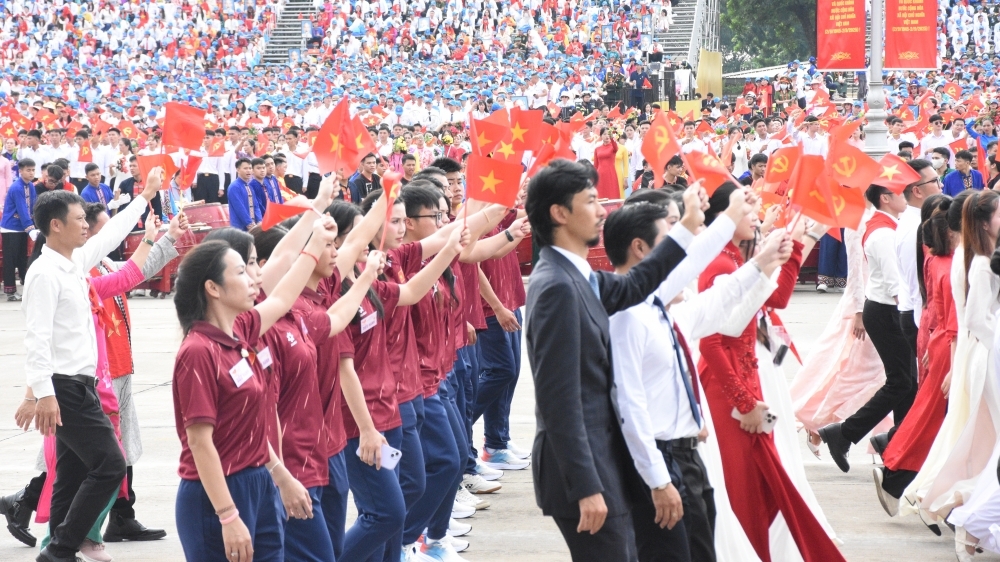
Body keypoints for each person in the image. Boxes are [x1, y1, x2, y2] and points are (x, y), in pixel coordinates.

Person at [524, 159, 704, 560]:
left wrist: (689, 227)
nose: (601, 210)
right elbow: (560, 399)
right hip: (581, 473)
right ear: (559, 213)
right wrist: (586, 486)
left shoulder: (576, 275)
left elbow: (637, 283)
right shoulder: (556, 286)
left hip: (599, 463)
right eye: (590, 201)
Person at [604, 190, 758, 562]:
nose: (680, 251)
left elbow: (704, 286)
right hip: (660, 457)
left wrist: (761, 259)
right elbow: (629, 404)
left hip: (683, 452)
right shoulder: (627, 312)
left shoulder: (652, 299)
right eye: (670, 239)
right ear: (641, 249)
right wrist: (658, 479)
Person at [696, 182, 846, 562]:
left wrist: (799, 241)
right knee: (745, 484)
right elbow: (711, 343)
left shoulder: (734, 259)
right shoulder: (718, 265)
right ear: (722, 217)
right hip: (730, 387)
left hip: (755, 375)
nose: (755, 216)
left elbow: (773, 298)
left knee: (767, 477)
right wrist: (744, 402)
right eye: (746, 211)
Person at [170, 218, 335, 562]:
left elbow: (284, 295)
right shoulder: (198, 351)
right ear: (213, 288)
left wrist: (316, 242)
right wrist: (228, 516)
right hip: (216, 493)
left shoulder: (240, 330)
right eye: (241, 272)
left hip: (258, 480)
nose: (253, 279)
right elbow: (201, 442)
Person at [21, 167, 161, 562]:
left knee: (72, 474)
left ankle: (56, 548)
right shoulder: (45, 274)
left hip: (79, 385)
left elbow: (113, 232)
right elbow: (37, 341)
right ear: (55, 225)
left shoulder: (74, 262)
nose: (87, 226)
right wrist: (44, 396)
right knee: (110, 465)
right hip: (64, 387)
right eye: (80, 219)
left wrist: (144, 196)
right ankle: (64, 548)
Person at [819, 183, 915, 472]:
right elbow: (893, 281)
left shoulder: (888, 224)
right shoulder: (883, 232)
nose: (906, 197)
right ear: (886, 199)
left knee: (908, 384)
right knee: (902, 382)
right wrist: (909, 319)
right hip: (888, 311)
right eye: (901, 193)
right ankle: (847, 433)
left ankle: (899, 443)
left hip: (887, 309)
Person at [874, 194, 957, 515]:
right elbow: (931, 304)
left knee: (931, 412)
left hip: (936, 333)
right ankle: (903, 473)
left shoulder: (939, 256)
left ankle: (897, 463)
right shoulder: (946, 262)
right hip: (940, 335)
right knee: (936, 415)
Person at [1, 158, 37, 301]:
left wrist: (35, 224)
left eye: (33, 170)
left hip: (23, 227)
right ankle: (10, 291)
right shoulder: (16, 187)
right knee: (10, 260)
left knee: (23, 258)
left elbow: (33, 206)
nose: (31, 173)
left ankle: (26, 286)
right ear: (20, 171)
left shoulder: (31, 186)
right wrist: (31, 228)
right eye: (28, 170)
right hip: (11, 228)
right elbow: (22, 209)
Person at [228, 158, 264, 231]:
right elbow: (239, 208)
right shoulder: (234, 186)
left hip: (252, 226)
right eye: (245, 168)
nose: (248, 170)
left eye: (250, 168)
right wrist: (249, 223)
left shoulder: (249, 186)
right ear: (238, 170)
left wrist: (259, 221)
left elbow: (256, 206)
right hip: (240, 227)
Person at [592, 127, 621, 200]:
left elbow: (616, 148)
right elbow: (595, 165)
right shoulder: (597, 149)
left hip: (610, 173)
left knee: (612, 193)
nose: (607, 136)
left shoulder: (613, 147)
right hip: (600, 174)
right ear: (601, 136)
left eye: (608, 134)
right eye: (604, 134)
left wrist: (612, 138)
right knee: (601, 194)